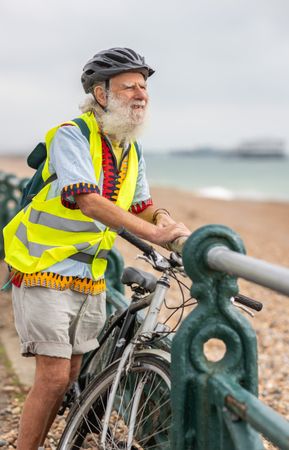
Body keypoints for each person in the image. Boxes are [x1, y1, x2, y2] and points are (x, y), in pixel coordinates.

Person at [3, 47, 190, 450]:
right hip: (43, 264)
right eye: (129, 87)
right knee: (52, 378)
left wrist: (166, 223)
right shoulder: (73, 135)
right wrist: (154, 236)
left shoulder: (130, 148)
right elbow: (85, 199)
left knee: (69, 375)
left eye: (144, 87)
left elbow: (141, 204)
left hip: (89, 274)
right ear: (101, 94)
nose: (141, 94)